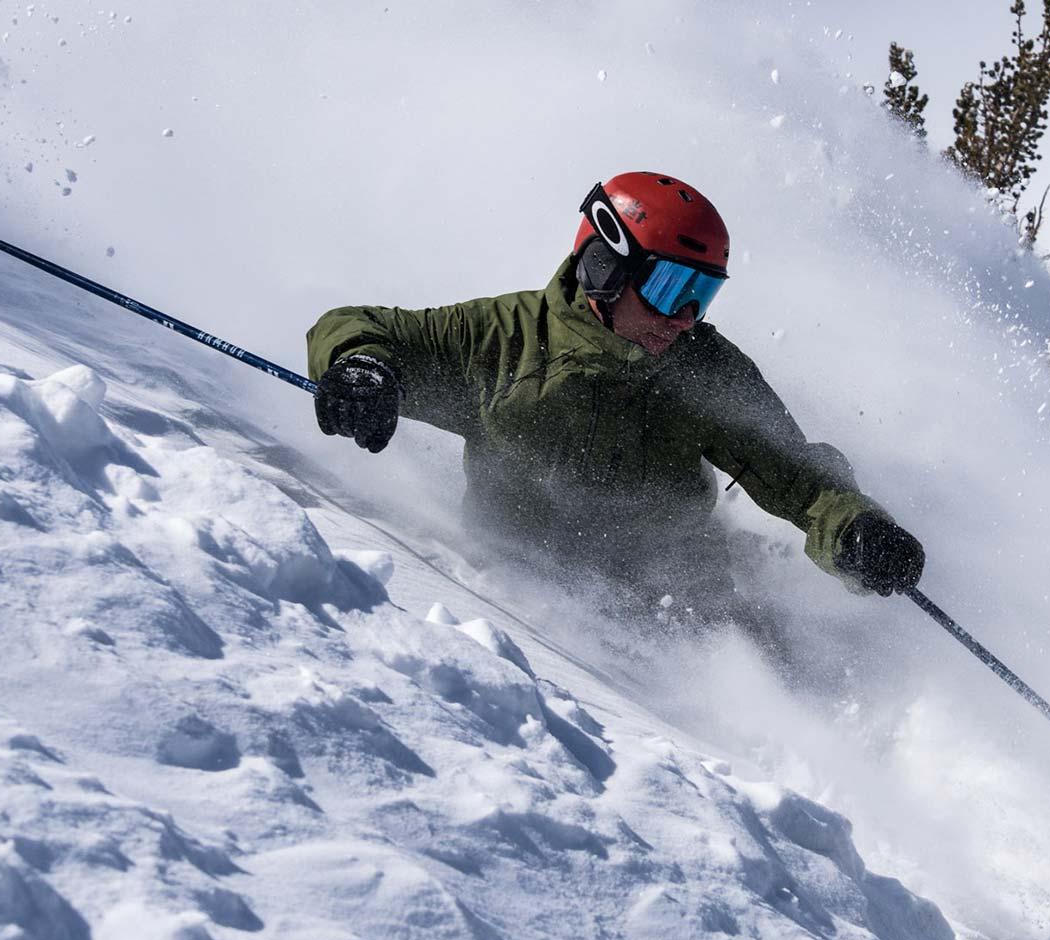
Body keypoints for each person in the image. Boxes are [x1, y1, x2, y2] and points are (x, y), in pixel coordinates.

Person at [305, 172, 924, 639]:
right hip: (509, 606)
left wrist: (858, 529)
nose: (684, 318)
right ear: (604, 266)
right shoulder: (503, 341)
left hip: (679, 611)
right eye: (669, 289)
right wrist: (361, 367)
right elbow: (355, 325)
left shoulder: (701, 369)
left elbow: (798, 476)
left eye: (701, 296)